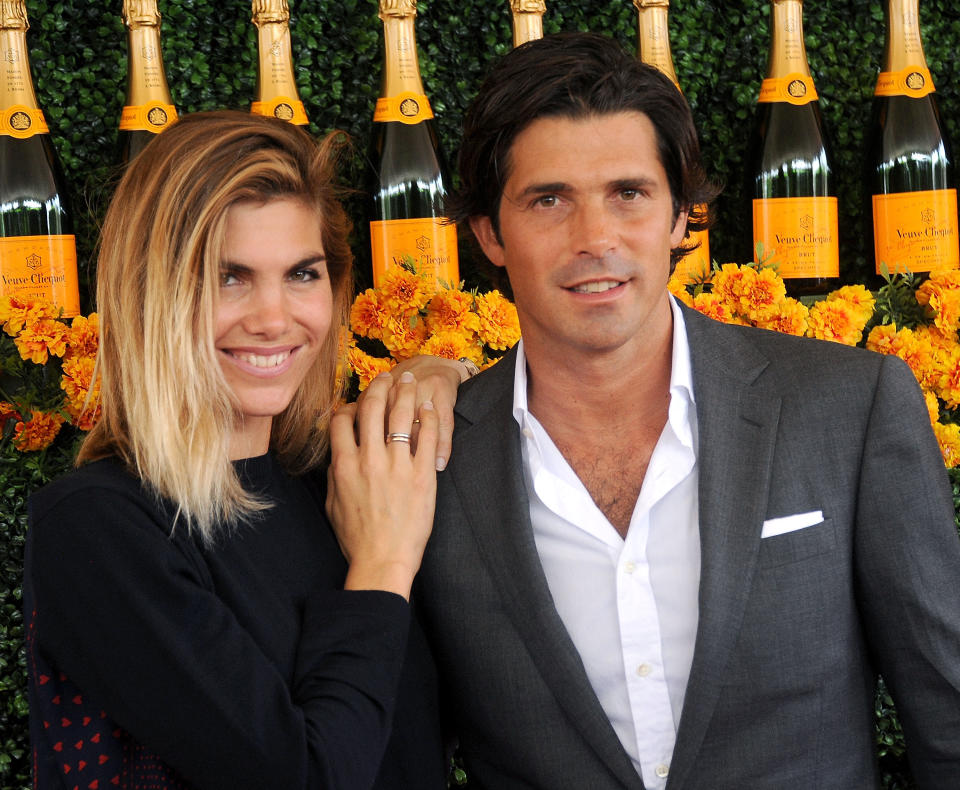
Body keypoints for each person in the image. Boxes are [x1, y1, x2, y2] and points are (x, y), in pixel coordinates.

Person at [415, 32, 960, 790]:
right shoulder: (424, 461)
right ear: (489, 234)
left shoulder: (850, 407)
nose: (595, 239)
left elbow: (950, 713)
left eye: (628, 195)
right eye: (549, 201)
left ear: (681, 217)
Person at [23, 110, 467, 790]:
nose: (272, 318)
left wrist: (444, 371)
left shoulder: (343, 476)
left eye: (302, 274)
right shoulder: (95, 527)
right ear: (151, 294)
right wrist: (382, 563)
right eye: (229, 276)